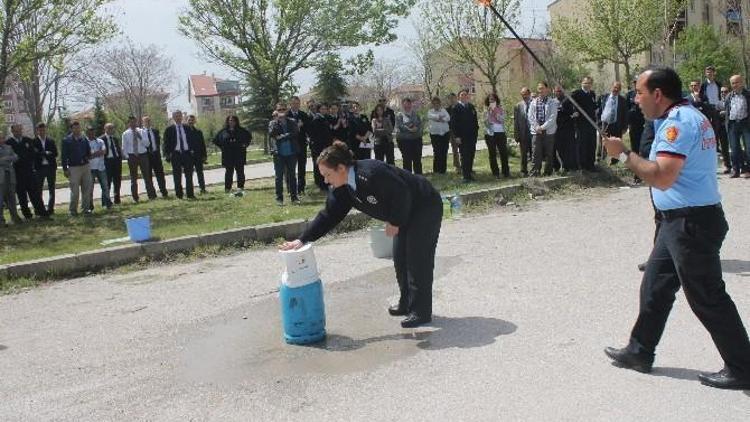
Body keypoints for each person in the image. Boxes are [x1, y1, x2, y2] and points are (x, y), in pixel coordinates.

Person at [602, 66, 750, 390]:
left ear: (658, 94)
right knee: (655, 285)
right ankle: (640, 351)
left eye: (639, 92)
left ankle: (743, 367)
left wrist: (624, 154)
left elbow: (662, 176)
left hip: (691, 224)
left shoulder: (679, 124)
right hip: (678, 223)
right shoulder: (681, 117)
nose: (636, 99)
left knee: (707, 297)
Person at [279, 142, 443, 328]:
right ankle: (407, 303)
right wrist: (302, 239)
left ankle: (420, 312)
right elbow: (328, 216)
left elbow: (402, 192)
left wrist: (395, 222)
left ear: (341, 168)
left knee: (417, 259)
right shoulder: (342, 188)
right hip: (403, 211)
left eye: (327, 175)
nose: (325, 180)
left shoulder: (370, 173)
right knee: (400, 258)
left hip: (424, 206)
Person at [6, 124, 48, 220]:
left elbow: (33, 153)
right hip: (17, 173)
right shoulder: (9, 143)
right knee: (22, 195)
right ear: (12, 132)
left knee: (35, 193)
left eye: (20, 130)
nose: (19, 133)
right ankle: (27, 215)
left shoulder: (27, 140)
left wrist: (26, 159)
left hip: (29, 171)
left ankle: (41, 213)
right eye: (16, 131)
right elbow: (11, 157)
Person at [700, 65, 731, 174]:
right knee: (709, 139)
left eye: (711, 72)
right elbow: (700, 100)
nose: (710, 74)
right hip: (708, 112)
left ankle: (728, 165)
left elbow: (724, 97)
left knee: (723, 138)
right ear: (705, 74)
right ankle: (710, 167)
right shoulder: (702, 86)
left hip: (719, 112)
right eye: (708, 72)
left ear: (714, 73)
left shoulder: (719, 84)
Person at [269, 104, 300, 205]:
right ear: (276, 111)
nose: (281, 111)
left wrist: (282, 136)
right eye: (279, 109)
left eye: (283, 109)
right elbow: (272, 134)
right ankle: (279, 199)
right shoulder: (273, 123)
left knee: (292, 176)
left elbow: (295, 133)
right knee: (278, 177)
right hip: (279, 154)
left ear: (286, 111)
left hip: (291, 153)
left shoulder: (292, 121)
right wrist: (279, 121)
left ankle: (294, 198)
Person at [61, 121, 93, 216]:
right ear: (71, 129)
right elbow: (64, 156)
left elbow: (88, 151)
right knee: (75, 191)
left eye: (78, 128)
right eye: (75, 128)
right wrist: (65, 169)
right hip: (74, 168)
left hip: (85, 166)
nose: (77, 130)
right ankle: (72, 210)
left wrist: (87, 156)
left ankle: (86, 209)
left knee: (86, 189)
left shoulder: (84, 139)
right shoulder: (66, 140)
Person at [122, 116, 157, 203]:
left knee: (147, 176)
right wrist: (127, 157)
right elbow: (124, 146)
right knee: (133, 178)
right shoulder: (125, 133)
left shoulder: (142, 131)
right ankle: (135, 197)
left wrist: (140, 137)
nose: (133, 124)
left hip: (143, 155)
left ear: (136, 122)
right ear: (128, 123)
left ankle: (151, 195)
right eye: (131, 122)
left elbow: (147, 144)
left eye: (134, 122)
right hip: (132, 156)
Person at [214, 115, 252, 193]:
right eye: (230, 120)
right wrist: (222, 147)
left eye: (233, 120)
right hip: (228, 155)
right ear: (227, 121)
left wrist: (245, 145)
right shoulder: (223, 131)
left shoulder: (242, 130)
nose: (231, 122)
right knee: (229, 172)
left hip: (239, 154)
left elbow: (249, 138)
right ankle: (228, 188)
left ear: (236, 121)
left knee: (240, 171)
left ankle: (240, 187)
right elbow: (215, 140)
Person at [528, 81, 559, 177]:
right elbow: (530, 116)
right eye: (539, 88)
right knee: (536, 152)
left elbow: (552, 118)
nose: (540, 90)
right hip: (536, 130)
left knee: (549, 153)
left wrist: (542, 127)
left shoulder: (552, 102)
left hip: (548, 130)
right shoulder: (534, 102)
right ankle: (535, 172)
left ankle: (548, 172)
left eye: (542, 88)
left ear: (547, 89)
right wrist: (537, 127)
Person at [164, 110, 196, 199]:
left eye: (179, 116)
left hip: (187, 154)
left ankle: (190, 194)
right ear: (173, 117)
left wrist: (192, 150)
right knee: (177, 175)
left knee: (189, 175)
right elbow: (166, 144)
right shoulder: (169, 129)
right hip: (176, 154)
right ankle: (179, 195)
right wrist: (167, 155)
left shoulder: (187, 128)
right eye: (176, 116)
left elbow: (192, 140)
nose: (178, 118)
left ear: (182, 117)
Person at [724, 74, 750, 178]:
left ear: (742, 82)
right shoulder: (729, 96)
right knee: (734, 149)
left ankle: (748, 169)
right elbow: (727, 110)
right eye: (733, 83)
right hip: (732, 124)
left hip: (745, 124)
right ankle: (736, 170)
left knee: (748, 148)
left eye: (737, 82)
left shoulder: (748, 95)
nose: (735, 85)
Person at [450, 89, 479, 182]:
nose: (464, 96)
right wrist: (457, 137)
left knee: (471, 154)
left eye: (466, 95)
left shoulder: (471, 107)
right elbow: (453, 124)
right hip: (462, 137)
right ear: (459, 97)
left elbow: (475, 121)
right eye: (462, 95)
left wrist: (476, 132)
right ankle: (465, 176)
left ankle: (469, 173)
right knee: (464, 155)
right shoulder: (456, 108)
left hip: (472, 137)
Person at [571, 76, 598, 171]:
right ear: (582, 83)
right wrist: (573, 112)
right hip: (581, 124)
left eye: (589, 83)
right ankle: (582, 165)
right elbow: (568, 103)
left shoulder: (592, 94)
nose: (587, 85)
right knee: (582, 145)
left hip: (591, 124)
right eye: (585, 83)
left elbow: (594, 107)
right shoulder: (576, 93)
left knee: (591, 144)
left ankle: (590, 165)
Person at [307, 103, 334, 191]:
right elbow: (315, 135)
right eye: (322, 109)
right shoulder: (316, 120)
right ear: (319, 110)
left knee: (326, 164)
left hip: (326, 146)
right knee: (318, 165)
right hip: (319, 147)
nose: (324, 110)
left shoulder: (325, 118)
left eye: (325, 109)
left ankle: (326, 183)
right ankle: (320, 184)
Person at [287, 96, 311, 194]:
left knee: (302, 167)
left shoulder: (303, 115)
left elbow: (308, 129)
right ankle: (291, 188)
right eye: (293, 103)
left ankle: (301, 188)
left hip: (301, 144)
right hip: (290, 145)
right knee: (290, 168)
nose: (296, 105)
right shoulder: (286, 115)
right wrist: (297, 126)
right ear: (290, 104)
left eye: (297, 103)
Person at [141, 116, 169, 198]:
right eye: (146, 121)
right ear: (143, 123)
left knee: (160, 174)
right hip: (146, 156)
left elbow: (159, 143)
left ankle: (164, 192)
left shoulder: (155, 131)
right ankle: (152, 194)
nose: (148, 123)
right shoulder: (141, 132)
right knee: (148, 175)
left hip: (156, 155)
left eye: (149, 121)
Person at [483, 93, 509, 178]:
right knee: (492, 154)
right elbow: (485, 123)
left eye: (493, 99)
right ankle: (496, 173)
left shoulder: (500, 108)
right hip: (490, 133)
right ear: (488, 101)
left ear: (496, 100)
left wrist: (495, 113)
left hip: (500, 132)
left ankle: (506, 172)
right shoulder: (486, 110)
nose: (492, 101)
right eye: (490, 99)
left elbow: (502, 120)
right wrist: (488, 114)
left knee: (503, 153)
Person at [86, 127, 112, 211]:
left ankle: (107, 203)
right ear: (87, 133)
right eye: (89, 132)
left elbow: (104, 151)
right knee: (90, 188)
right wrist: (97, 153)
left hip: (101, 167)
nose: (91, 134)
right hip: (90, 169)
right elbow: (87, 156)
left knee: (105, 186)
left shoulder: (100, 141)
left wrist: (93, 154)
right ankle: (90, 206)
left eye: (93, 132)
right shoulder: (85, 142)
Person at [33, 123, 57, 214]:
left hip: (50, 167)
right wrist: (45, 153)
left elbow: (55, 153)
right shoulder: (34, 142)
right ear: (37, 131)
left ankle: (50, 209)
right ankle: (40, 209)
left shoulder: (51, 141)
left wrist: (43, 153)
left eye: (43, 130)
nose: (42, 132)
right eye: (40, 130)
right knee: (39, 189)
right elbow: (34, 154)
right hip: (40, 168)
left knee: (52, 189)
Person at [395, 98, 424, 174]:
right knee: (407, 159)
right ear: (402, 105)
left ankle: (418, 176)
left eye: (408, 104)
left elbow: (420, 124)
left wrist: (417, 128)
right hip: (404, 141)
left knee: (417, 159)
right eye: (405, 104)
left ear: (411, 104)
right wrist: (409, 129)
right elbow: (400, 126)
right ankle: (408, 176)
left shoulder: (416, 114)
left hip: (416, 139)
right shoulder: (399, 115)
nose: (407, 106)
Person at [0, 135, 22, 226]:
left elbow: (16, 157)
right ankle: (1, 220)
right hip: (1, 177)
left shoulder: (9, 147)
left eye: (2, 137)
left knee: (12, 198)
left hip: (10, 175)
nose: (1, 139)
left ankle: (15, 217)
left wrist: (5, 159)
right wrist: (8, 159)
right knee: (0, 199)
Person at [553, 86, 576, 172]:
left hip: (568, 128)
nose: (558, 93)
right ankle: (556, 167)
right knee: (557, 149)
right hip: (556, 128)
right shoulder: (553, 102)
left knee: (567, 148)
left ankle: (567, 166)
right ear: (554, 92)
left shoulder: (569, 101)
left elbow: (573, 113)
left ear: (563, 91)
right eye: (557, 91)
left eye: (560, 91)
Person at [427, 97, 451, 174]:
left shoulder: (444, 110)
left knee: (444, 151)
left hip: (445, 134)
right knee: (437, 151)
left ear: (440, 104)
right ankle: (436, 170)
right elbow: (431, 117)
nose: (436, 105)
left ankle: (443, 170)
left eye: (437, 103)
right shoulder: (430, 111)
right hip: (435, 135)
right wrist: (439, 117)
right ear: (432, 104)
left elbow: (448, 118)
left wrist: (441, 119)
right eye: (434, 103)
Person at [626, 78, 645, 173]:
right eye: (634, 83)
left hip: (643, 123)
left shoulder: (645, 93)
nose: (636, 84)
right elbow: (626, 108)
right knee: (634, 146)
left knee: (643, 146)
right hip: (633, 124)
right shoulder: (630, 94)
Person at [101, 123, 123, 204]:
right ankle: (106, 201)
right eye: (109, 128)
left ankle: (117, 199)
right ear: (105, 129)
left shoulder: (115, 139)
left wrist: (120, 158)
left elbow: (118, 149)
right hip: (107, 162)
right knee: (107, 182)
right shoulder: (101, 139)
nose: (111, 130)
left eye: (112, 128)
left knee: (117, 181)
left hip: (116, 161)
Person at [513, 87, 533, 175]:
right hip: (523, 133)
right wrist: (516, 134)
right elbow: (516, 121)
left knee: (534, 153)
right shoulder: (518, 106)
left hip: (533, 132)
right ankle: (523, 171)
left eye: (525, 94)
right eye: (522, 94)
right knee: (523, 154)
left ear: (529, 94)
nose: (524, 96)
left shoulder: (534, 103)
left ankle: (534, 170)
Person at [187, 114, 208, 194]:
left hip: (198, 156)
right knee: (189, 174)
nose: (191, 121)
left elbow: (203, 144)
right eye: (189, 120)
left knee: (200, 173)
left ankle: (202, 189)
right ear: (187, 121)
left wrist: (204, 155)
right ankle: (190, 190)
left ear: (194, 121)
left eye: (192, 120)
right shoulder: (184, 132)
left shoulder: (198, 132)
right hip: (188, 156)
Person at [445, 93, 462, 173]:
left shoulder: (461, 107)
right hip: (452, 131)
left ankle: (465, 165)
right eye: (450, 98)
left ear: (456, 98)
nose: (451, 100)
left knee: (463, 149)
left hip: (462, 131)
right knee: (455, 149)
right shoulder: (447, 110)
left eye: (453, 98)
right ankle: (457, 166)